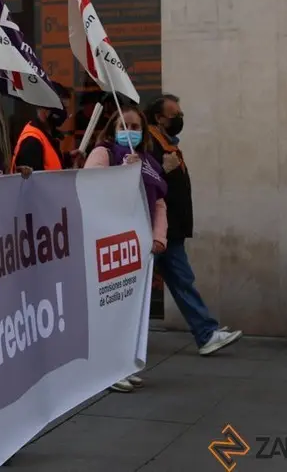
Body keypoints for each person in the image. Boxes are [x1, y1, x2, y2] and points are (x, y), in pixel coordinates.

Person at [147, 94, 242, 355]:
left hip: (170, 230)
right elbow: (144, 183)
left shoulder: (166, 142)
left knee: (181, 281)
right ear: (159, 118)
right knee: (145, 289)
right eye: (174, 115)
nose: (179, 119)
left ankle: (206, 333)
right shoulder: (150, 143)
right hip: (159, 229)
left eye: (180, 114)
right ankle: (205, 333)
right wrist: (162, 171)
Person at [84, 102, 169, 392]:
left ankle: (123, 364)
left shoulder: (149, 162)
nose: (129, 132)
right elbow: (91, 187)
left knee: (132, 309)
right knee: (112, 306)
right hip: (110, 243)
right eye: (124, 127)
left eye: (135, 127)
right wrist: (123, 173)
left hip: (140, 245)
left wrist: (159, 237)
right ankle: (108, 369)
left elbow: (158, 204)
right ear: (113, 129)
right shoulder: (104, 153)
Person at [12, 83, 85, 173]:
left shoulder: (45, 134)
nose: (65, 114)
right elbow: (34, 183)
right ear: (45, 108)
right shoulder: (32, 142)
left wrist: (67, 158)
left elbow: (48, 163)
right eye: (63, 108)